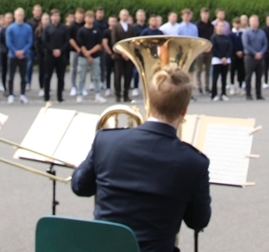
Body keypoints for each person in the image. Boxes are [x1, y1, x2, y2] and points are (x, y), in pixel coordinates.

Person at [71, 67, 210, 252]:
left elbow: (79, 186)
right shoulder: (194, 162)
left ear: (149, 102)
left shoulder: (106, 140)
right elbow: (198, 221)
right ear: (184, 110)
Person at [43, 9, 71, 102]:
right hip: (49, 55)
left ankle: (60, 96)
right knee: (48, 76)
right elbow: (44, 41)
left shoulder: (64, 28)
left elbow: (67, 41)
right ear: (51, 17)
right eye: (54, 16)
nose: (56, 17)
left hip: (61, 55)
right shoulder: (47, 28)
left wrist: (60, 50)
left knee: (61, 77)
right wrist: (52, 50)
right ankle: (46, 96)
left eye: (58, 16)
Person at [5, 7, 33, 103]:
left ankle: (22, 94)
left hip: (24, 55)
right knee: (11, 76)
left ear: (23, 16)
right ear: (15, 16)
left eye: (21, 15)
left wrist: (23, 51)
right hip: (12, 55)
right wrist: (16, 51)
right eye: (18, 15)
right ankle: (11, 94)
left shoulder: (28, 28)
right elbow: (9, 42)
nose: (19, 17)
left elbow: (29, 41)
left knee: (23, 76)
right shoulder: (10, 28)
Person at [241, 15, 268, 100]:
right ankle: (248, 94)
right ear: (250, 22)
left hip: (260, 57)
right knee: (248, 76)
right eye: (253, 21)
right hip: (250, 57)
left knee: (259, 77)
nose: (255, 22)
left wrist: (261, 53)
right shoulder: (246, 32)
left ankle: (258, 94)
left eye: (256, 21)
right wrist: (255, 53)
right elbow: (246, 44)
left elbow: (265, 44)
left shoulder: (262, 32)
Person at [211, 22, 233, 101]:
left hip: (225, 60)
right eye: (219, 26)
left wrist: (226, 57)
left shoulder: (227, 37)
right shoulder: (214, 37)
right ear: (216, 27)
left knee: (224, 78)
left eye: (222, 26)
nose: (221, 27)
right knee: (215, 78)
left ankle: (223, 93)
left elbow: (230, 48)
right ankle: (214, 94)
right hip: (217, 60)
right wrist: (221, 57)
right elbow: (214, 49)